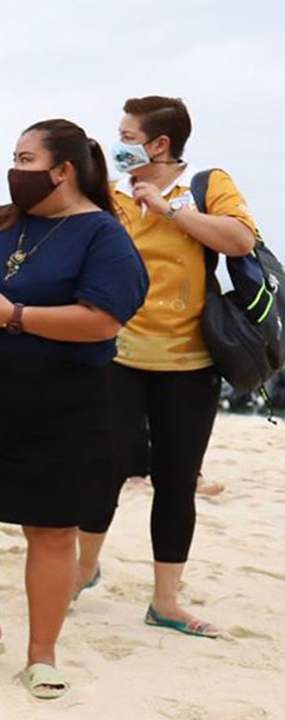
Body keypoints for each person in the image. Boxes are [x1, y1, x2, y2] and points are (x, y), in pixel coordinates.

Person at [0, 119, 147, 699]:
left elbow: (103, 320)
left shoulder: (102, 235)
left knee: (50, 530)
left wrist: (14, 316)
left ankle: (41, 655)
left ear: (63, 170)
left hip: (62, 400)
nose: (15, 169)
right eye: (15, 157)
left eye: (26, 159)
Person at [76, 96, 259, 636]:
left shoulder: (206, 184)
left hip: (190, 360)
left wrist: (169, 209)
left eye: (127, 136)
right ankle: (84, 569)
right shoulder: (110, 194)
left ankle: (165, 602)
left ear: (159, 144)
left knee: (176, 482)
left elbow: (241, 240)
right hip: (118, 356)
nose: (119, 144)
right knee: (101, 471)